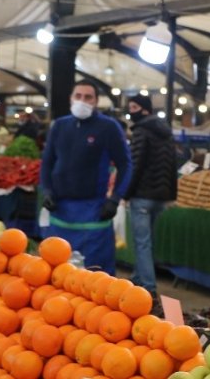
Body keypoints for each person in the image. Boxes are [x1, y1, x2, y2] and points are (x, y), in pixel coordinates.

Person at [40, 81, 132, 274]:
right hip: (60, 212)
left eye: (88, 97)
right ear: (71, 99)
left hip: (94, 212)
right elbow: (47, 161)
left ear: (96, 101)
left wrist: (115, 199)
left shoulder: (109, 127)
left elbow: (125, 164)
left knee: (94, 276)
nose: (82, 100)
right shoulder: (59, 126)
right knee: (56, 273)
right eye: (78, 96)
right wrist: (47, 190)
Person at [122, 95, 177, 298]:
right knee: (148, 240)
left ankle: (148, 286)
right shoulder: (166, 132)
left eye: (135, 107)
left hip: (142, 195)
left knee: (142, 242)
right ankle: (138, 276)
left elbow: (135, 166)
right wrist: (171, 195)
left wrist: (125, 193)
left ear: (145, 110)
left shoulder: (141, 131)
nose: (131, 111)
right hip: (160, 197)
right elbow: (173, 166)